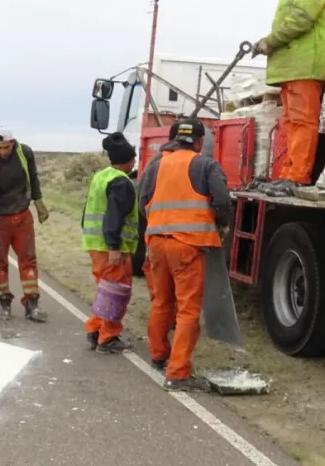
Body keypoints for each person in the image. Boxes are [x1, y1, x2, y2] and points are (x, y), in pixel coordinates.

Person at [139, 118, 232, 391]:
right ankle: (178, 373)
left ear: (173, 138)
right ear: (200, 142)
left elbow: (142, 199)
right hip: (188, 245)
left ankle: (159, 355)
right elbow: (223, 201)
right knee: (188, 310)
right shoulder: (206, 165)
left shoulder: (155, 165)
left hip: (156, 242)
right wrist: (221, 225)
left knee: (161, 302)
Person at [253, 0, 325, 197]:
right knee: (291, 123)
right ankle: (290, 174)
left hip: (304, 66)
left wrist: (269, 42)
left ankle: (298, 176)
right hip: (293, 67)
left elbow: (300, 20)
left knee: (302, 121)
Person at [0, 128, 49, 322]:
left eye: (6, 147)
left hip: (21, 215)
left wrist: (39, 201)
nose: (3, 151)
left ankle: (32, 305)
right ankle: (5, 304)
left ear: (13, 143)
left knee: (28, 260)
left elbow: (33, 177)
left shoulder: (24, 153)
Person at [81, 132, 139, 354]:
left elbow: (89, 211)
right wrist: (114, 246)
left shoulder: (100, 176)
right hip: (112, 248)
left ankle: (95, 330)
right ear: (129, 159)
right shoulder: (121, 182)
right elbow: (113, 216)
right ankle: (108, 337)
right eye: (133, 158)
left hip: (95, 244)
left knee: (104, 291)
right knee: (116, 292)